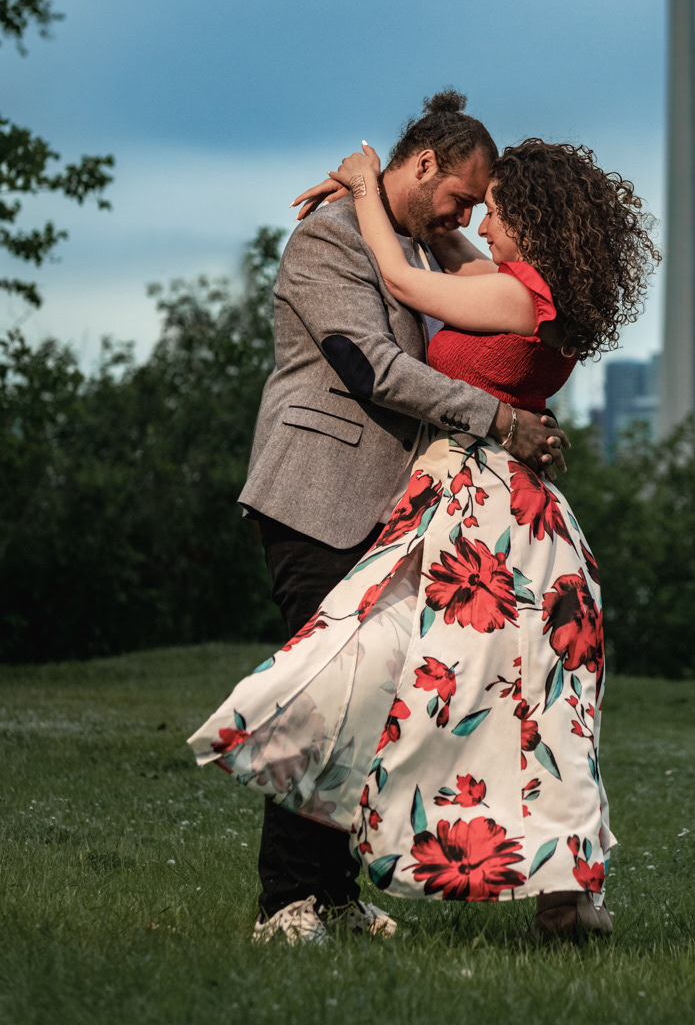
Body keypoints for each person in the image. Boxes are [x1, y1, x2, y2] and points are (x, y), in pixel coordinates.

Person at [190, 130, 658, 941]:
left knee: (395, 692)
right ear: (426, 164)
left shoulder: (496, 282)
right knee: (338, 683)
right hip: (326, 494)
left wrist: (371, 185)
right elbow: (370, 362)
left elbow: (417, 272)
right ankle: (291, 900)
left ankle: (336, 895)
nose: (475, 218)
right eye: (468, 198)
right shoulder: (329, 239)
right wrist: (367, 189)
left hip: (452, 513)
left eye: (493, 207)